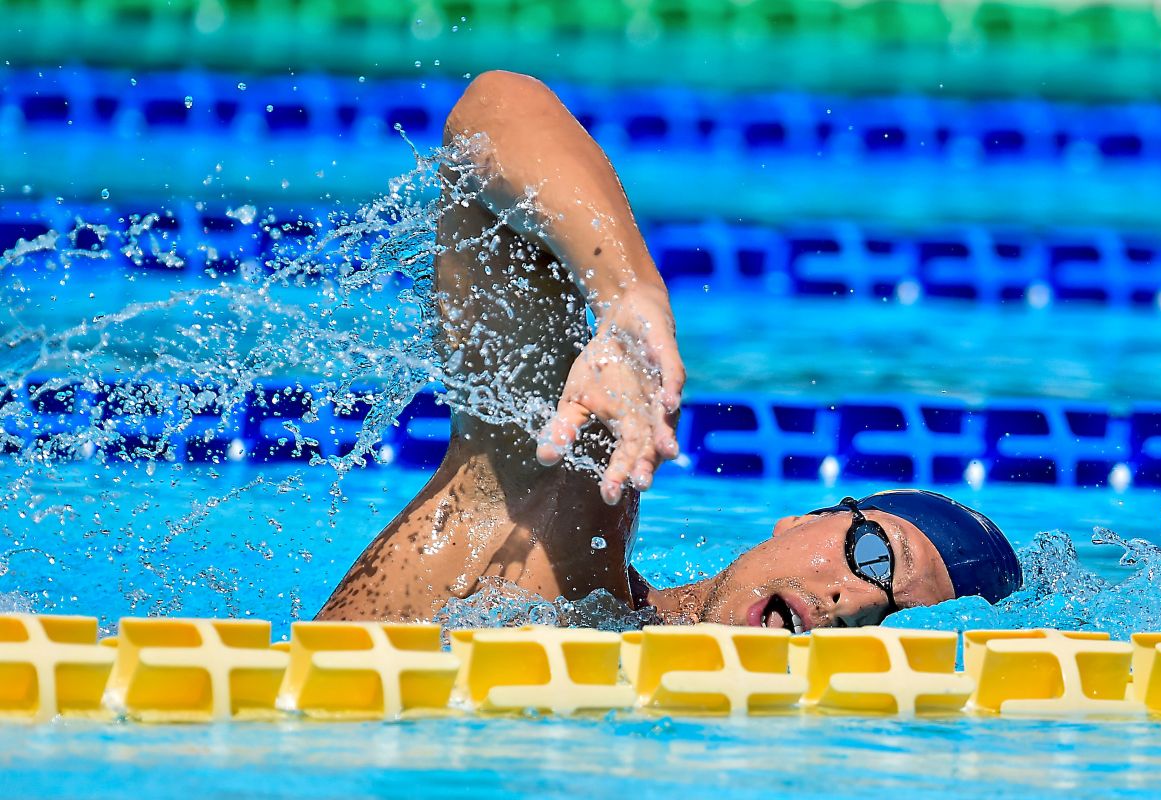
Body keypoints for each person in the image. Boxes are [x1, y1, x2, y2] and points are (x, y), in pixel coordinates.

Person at [317, 70, 1021, 629]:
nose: (860, 605)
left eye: (898, 629)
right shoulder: (550, 541)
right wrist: (626, 297)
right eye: (872, 557)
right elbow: (492, 110)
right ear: (805, 520)